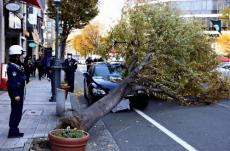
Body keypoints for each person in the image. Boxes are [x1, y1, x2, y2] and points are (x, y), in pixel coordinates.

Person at [7, 45, 26, 138]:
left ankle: (15, 129)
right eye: (20, 55)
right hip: (16, 93)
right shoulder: (12, 67)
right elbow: (12, 82)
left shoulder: (17, 65)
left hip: (19, 92)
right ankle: (12, 132)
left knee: (18, 112)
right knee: (16, 112)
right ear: (16, 56)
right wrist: (15, 94)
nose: (22, 56)